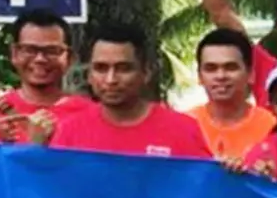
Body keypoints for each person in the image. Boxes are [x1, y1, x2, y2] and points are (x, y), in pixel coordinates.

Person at [38, 24, 211, 160]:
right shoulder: (70, 132)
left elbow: (205, 187)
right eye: (101, 68)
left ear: (146, 72)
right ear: (89, 75)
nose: (111, 79)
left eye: (123, 68)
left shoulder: (183, 130)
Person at [0, 8, 95, 142]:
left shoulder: (90, 114)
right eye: (29, 50)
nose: (40, 59)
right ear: (14, 54)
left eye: (52, 51)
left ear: (69, 58)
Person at [184, 28, 275, 162]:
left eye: (230, 67)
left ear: (251, 74)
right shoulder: (185, 125)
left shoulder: (272, 128)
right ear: (200, 76)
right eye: (211, 69)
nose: (221, 76)